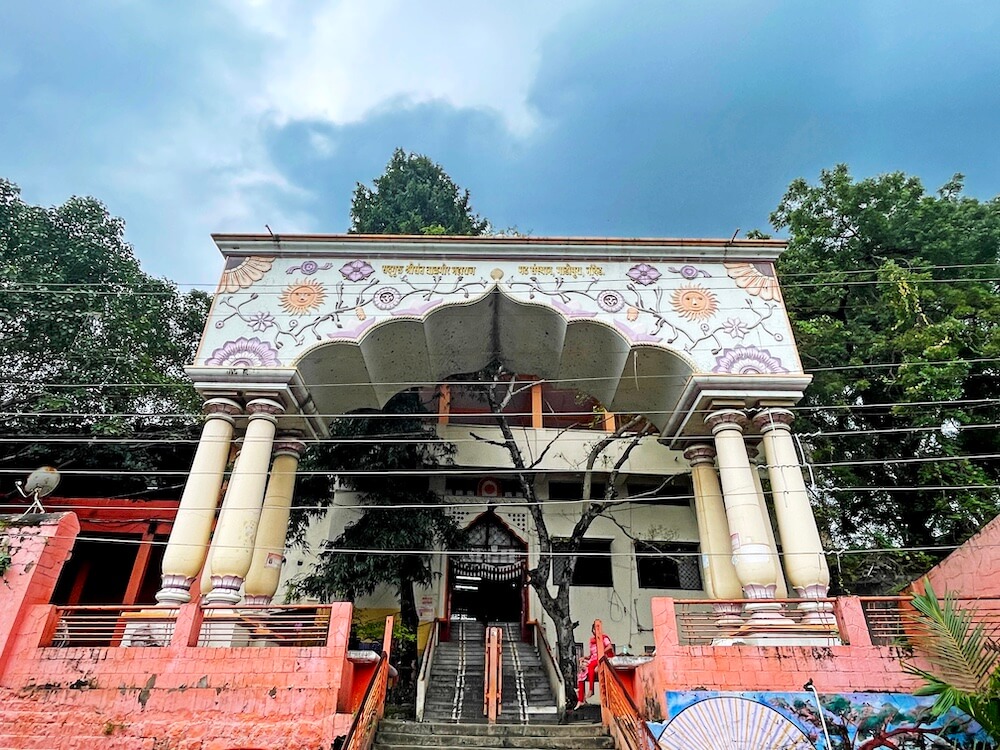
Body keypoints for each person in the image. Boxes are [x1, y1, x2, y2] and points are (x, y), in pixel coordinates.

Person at [576, 623, 613, 709]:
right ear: (592, 630)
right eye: (594, 629)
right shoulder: (592, 641)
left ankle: (591, 689)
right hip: (593, 660)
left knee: (591, 666)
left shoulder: (604, 638)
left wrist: (602, 652)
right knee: (581, 674)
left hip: (602, 659)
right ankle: (580, 699)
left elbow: (610, 647)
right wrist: (585, 657)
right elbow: (592, 655)